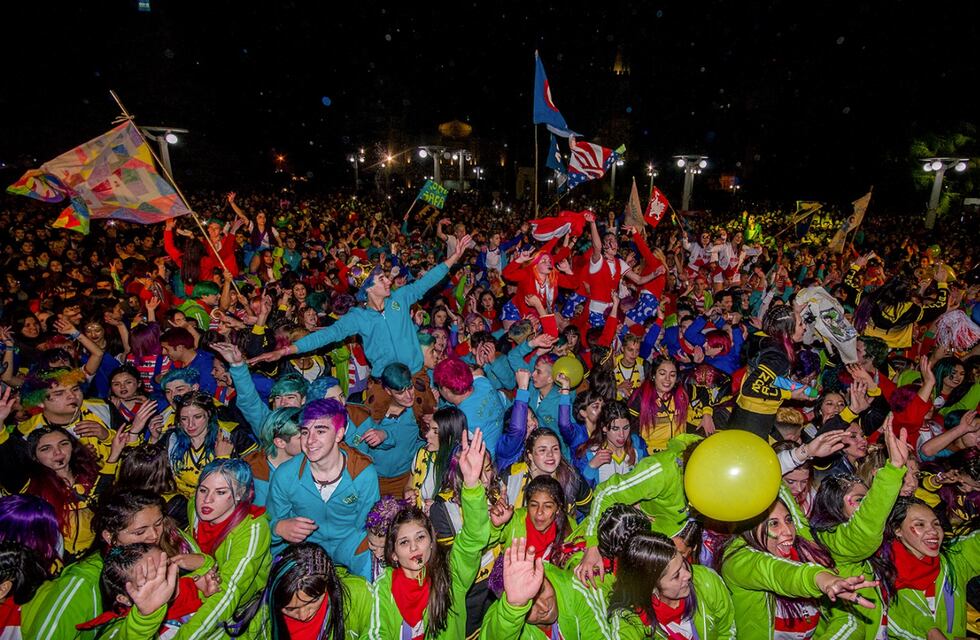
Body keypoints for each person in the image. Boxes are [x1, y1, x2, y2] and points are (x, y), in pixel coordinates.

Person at [366, 428, 491, 639]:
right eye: (404, 542)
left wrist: (471, 486)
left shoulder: (452, 575)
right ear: (393, 553)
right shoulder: (383, 588)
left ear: (433, 542)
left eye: (421, 537)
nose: (414, 547)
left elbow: (473, 538)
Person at [716, 496, 879, 639]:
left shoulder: (804, 552)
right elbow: (777, 572)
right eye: (773, 524)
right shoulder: (738, 561)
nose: (788, 531)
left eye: (788, 520)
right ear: (749, 529)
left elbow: (849, 620)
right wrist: (821, 579)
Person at [267, 399, 380, 579]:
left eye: (320, 431)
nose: (310, 440)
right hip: (306, 548)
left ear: (339, 434)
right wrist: (278, 528)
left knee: (375, 578)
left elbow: (367, 526)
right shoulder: (285, 475)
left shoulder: (363, 473)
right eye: (305, 432)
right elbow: (268, 522)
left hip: (350, 545)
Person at [880, 498, 980, 639]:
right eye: (920, 524)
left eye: (936, 524)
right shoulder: (880, 573)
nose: (933, 531)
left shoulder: (953, 561)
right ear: (898, 530)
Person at [607, 532, 735, 639]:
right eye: (676, 576)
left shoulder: (705, 580)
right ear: (651, 588)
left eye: (683, 562)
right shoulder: (630, 620)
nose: (688, 575)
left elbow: (727, 630)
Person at [729, 304, 810, 437]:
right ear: (786, 331)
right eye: (801, 324)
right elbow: (751, 388)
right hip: (753, 421)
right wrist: (790, 395)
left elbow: (774, 322)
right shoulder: (777, 357)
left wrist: (792, 314)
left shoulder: (761, 338)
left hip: (743, 413)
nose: (805, 327)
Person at [576, 400, 648, 488]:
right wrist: (591, 467)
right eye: (615, 428)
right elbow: (582, 493)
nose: (622, 435)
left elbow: (649, 478)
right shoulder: (590, 453)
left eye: (626, 428)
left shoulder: (638, 444)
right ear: (604, 428)